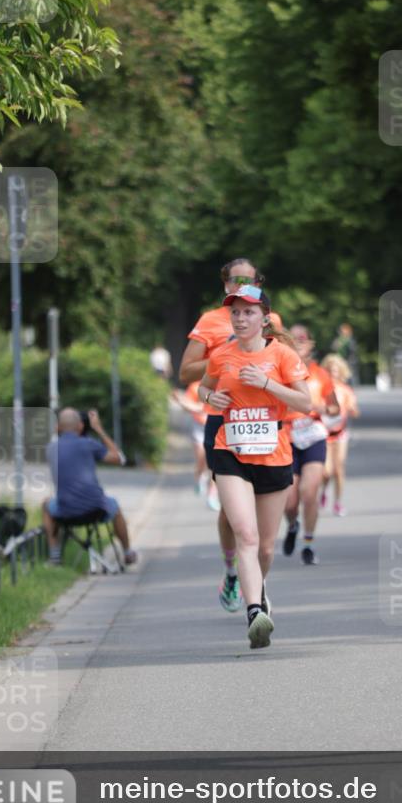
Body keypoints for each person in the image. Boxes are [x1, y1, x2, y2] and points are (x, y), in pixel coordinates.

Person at [198, 284, 310, 648]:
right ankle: (254, 613)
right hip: (229, 449)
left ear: (265, 319)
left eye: (248, 312)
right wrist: (210, 396)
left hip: (273, 452)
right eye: (235, 312)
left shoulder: (283, 355)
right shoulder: (221, 355)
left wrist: (266, 383)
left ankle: (259, 591)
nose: (241, 318)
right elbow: (203, 387)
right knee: (245, 535)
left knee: (264, 547)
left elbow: (305, 403)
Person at [179, 258, 282, 612]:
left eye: (247, 280)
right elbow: (185, 372)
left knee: (263, 526)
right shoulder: (211, 321)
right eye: (234, 279)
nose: (239, 284)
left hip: (267, 426)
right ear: (224, 283)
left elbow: (289, 365)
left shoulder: (271, 319)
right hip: (223, 422)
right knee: (230, 510)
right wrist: (224, 355)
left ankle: (256, 582)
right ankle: (231, 570)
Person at [43, 407, 138, 566]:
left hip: (65, 511)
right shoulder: (88, 444)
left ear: (57, 427)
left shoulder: (51, 449)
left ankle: (55, 556)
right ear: (80, 426)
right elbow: (119, 459)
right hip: (96, 509)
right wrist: (98, 429)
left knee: (46, 504)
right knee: (115, 506)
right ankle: (127, 552)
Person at [281, 325, 339, 565]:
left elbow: (335, 407)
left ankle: (308, 543)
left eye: (303, 339)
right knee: (290, 500)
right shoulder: (279, 371)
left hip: (313, 435)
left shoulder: (320, 374)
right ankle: (293, 525)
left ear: (311, 344)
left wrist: (322, 408)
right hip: (286, 437)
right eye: (294, 340)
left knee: (309, 491)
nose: (299, 343)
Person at [319, 353, 360, 516]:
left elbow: (354, 409)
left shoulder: (346, 390)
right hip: (323, 433)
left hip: (341, 433)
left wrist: (353, 411)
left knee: (339, 469)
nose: (333, 373)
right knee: (327, 471)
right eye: (330, 370)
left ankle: (337, 503)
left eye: (336, 370)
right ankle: (324, 491)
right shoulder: (322, 389)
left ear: (341, 372)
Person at [171, 380, 221, 510]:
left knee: (215, 464)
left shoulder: (221, 383)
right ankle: (199, 476)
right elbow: (189, 405)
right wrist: (181, 401)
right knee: (201, 457)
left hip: (216, 428)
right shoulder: (195, 387)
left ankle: (212, 493)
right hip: (199, 427)